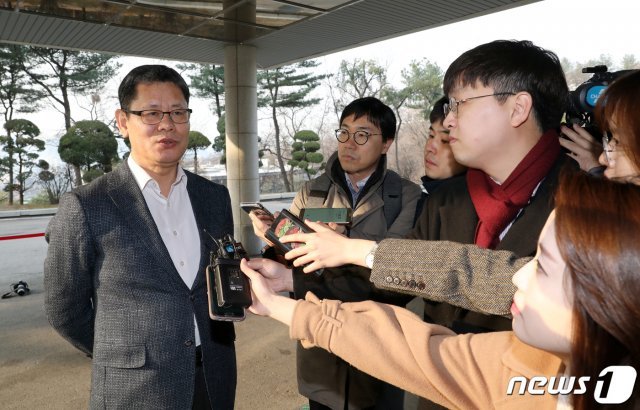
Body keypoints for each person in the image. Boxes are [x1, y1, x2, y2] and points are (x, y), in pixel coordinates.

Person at [268, 66, 640, 324]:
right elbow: (388, 285)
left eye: (460, 104)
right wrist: (291, 283)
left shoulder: (583, 203)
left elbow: (511, 282)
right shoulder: (445, 202)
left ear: (518, 108)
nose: (447, 122)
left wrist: (358, 250)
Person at [242, 171, 640, 409]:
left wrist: (351, 251)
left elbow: (463, 274)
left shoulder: (409, 195)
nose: (517, 277)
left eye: (546, 266)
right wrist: (283, 304)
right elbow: (417, 350)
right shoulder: (523, 369)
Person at [44, 65, 236, 409]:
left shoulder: (214, 197)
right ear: (123, 121)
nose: (167, 124)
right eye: (151, 113)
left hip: (214, 377)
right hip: (135, 389)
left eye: (178, 112)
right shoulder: (87, 205)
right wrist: (120, 353)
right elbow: (65, 309)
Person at [249, 97, 421, 410]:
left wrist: (342, 249)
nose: (348, 144)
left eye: (362, 135)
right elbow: (291, 262)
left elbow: (398, 278)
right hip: (320, 348)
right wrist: (272, 239)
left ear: (386, 144)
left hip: (380, 351)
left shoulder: (407, 197)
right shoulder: (312, 191)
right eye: (344, 132)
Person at [415, 96, 466, 220]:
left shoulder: (464, 209)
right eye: (431, 135)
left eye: (445, 141)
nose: (430, 147)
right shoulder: (424, 196)